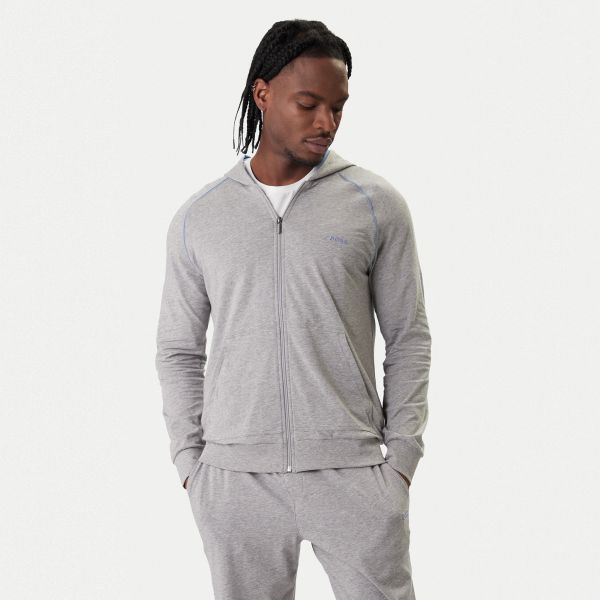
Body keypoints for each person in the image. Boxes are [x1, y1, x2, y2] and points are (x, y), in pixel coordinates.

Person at [155, 18, 432, 600]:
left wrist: (401, 459)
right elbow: (179, 349)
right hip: (236, 480)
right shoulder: (200, 217)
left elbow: (408, 336)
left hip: (353, 474)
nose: (326, 122)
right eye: (309, 104)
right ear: (263, 94)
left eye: (338, 107)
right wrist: (191, 463)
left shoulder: (375, 204)